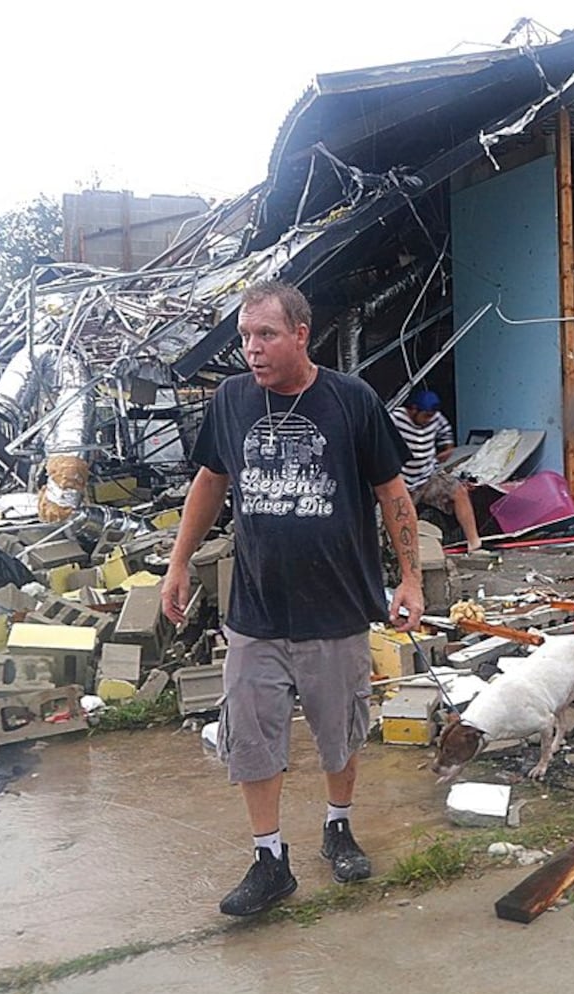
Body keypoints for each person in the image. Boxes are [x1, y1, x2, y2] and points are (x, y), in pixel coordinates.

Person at [161, 280, 424, 917]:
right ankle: (269, 859)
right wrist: (178, 562)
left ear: (301, 334)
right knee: (250, 736)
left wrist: (411, 578)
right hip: (255, 609)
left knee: (339, 734)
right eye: (246, 336)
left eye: (266, 335)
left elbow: (393, 495)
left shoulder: (352, 400)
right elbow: (210, 482)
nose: (251, 349)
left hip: (335, 608)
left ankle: (338, 825)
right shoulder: (228, 401)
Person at [390, 388, 482, 551]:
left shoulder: (436, 418)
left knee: (458, 491)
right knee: (399, 519)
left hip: (426, 477)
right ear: (413, 409)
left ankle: (474, 543)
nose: (428, 420)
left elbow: (446, 433)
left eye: (431, 416)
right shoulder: (395, 418)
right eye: (425, 416)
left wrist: (447, 449)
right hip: (402, 481)